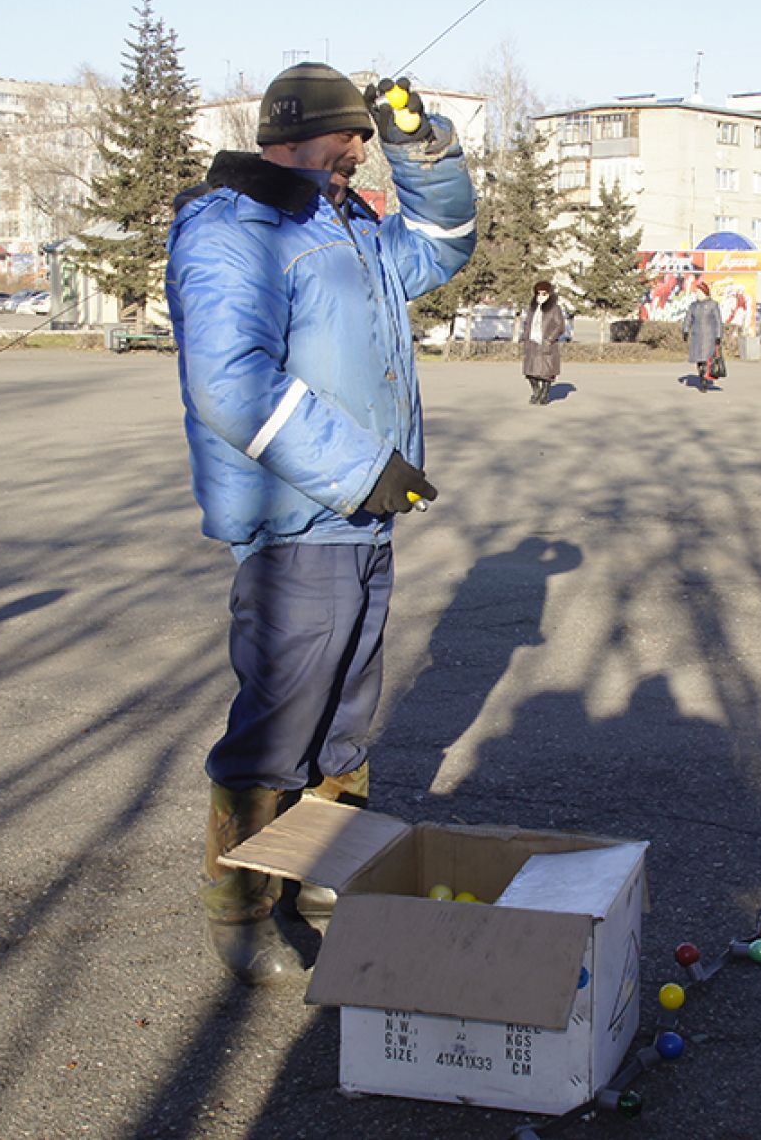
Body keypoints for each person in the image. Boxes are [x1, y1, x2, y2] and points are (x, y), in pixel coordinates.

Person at [167, 63, 477, 985]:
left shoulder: (349, 224)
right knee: (279, 719)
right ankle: (240, 905)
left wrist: (425, 147)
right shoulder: (232, 231)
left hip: (361, 519)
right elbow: (230, 382)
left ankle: (324, 880)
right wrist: (360, 471)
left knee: (343, 719)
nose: (356, 168)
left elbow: (445, 241)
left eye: (362, 157)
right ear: (295, 138)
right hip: (299, 516)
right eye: (349, 151)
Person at [520, 279, 566, 404]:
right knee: (529, 372)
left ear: (549, 294)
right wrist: (524, 337)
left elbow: (560, 326)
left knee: (546, 373)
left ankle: (545, 394)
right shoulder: (532, 308)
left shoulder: (554, 309)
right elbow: (527, 324)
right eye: (538, 293)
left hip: (546, 343)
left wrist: (549, 339)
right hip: (532, 343)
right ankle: (536, 391)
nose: (540, 296)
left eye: (544, 294)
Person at [683, 281, 724, 391]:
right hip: (697, 335)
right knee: (698, 359)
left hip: (709, 337)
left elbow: (718, 321)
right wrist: (686, 330)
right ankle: (701, 374)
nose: (697, 294)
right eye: (696, 292)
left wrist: (718, 336)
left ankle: (704, 379)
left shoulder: (712, 305)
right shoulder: (693, 306)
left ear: (704, 292)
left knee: (706, 358)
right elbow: (688, 319)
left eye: (699, 292)